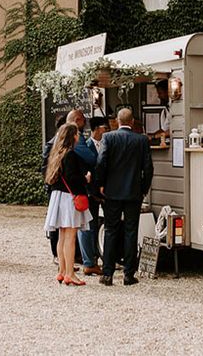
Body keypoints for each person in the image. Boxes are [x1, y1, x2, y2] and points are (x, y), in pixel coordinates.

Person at [96, 107, 154, 286]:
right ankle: (129, 274)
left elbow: (101, 162)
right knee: (131, 232)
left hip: (112, 192)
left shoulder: (108, 138)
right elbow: (148, 168)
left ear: (118, 122)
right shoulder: (141, 140)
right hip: (133, 192)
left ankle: (107, 274)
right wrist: (143, 188)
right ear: (132, 122)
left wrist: (100, 185)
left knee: (111, 231)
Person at [44, 122, 92, 286]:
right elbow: (73, 178)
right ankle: (70, 274)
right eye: (77, 134)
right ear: (72, 136)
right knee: (70, 237)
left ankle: (62, 271)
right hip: (68, 198)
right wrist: (85, 179)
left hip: (58, 196)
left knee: (62, 236)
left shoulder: (56, 153)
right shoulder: (70, 155)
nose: (79, 136)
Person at [77, 117, 108, 276]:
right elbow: (85, 170)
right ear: (97, 129)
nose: (108, 130)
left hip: (104, 193)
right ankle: (89, 261)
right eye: (105, 127)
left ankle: (98, 257)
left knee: (97, 226)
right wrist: (92, 192)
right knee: (88, 226)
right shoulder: (86, 146)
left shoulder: (107, 144)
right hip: (91, 194)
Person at [41, 113, 67, 263]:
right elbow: (45, 168)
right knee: (54, 220)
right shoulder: (51, 144)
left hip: (65, 189)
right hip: (55, 188)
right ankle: (56, 254)